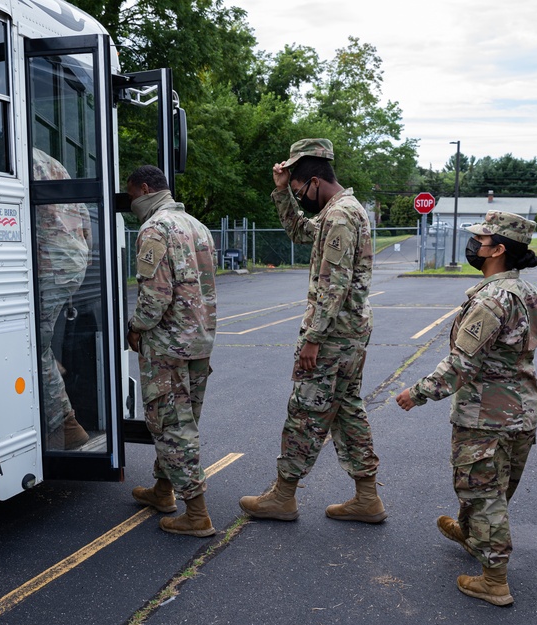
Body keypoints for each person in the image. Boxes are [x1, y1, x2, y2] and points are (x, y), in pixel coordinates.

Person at [396, 210, 537, 607]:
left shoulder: (492, 299)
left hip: (486, 414)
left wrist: (418, 392)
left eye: (480, 240)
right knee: (493, 485)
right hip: (520, 410)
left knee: (482, 491)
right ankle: (471, 535)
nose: (473, 245)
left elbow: (463, 363)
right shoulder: (526, 291)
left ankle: (494, 579)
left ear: (497, 250)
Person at [240, 138, 385, 524]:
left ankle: (283, 496)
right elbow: (300, 232)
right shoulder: (343, 210)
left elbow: (333, 285)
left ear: (317, 181)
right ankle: (367, 497)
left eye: (301, 189)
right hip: (349, 334)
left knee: (305, 410)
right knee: (347, 411)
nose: (301, 196)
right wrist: (282, 190)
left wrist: (313, 339)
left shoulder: (339, 217)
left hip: (333, 336)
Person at [126, 165, 218, 537]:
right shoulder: (198, 226)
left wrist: (135, 327)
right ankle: (163, 490)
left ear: (145, 189)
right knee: (181, 419)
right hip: (198, 340)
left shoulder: (155, 228)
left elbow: (155, 295)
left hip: (167, 344)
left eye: (131, 196)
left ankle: (196, 513)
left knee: (171, 425)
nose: (131, 204)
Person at [34, 147, 92, 450]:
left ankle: (67, 423)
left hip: (48, 263)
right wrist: (85, 252)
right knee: (41, 337)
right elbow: (81, 214)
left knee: (34, 345)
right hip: (73, 260)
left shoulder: (16, 157)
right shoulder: (53, 163)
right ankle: (53, 365)